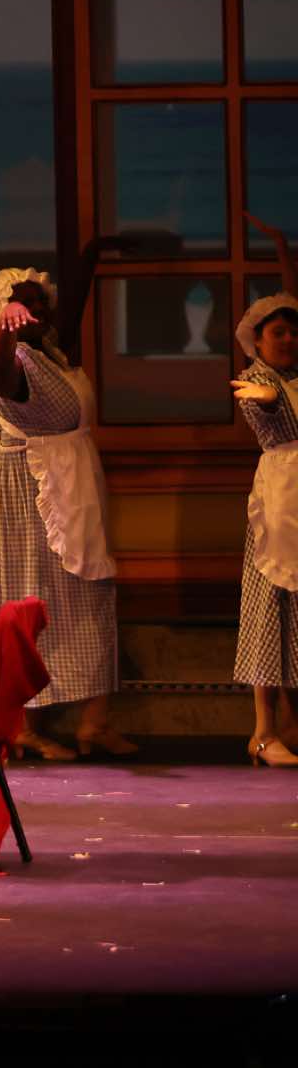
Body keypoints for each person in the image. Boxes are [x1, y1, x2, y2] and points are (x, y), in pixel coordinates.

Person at [0, 243, 136, 759]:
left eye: (39, 301)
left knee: (91, 595)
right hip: (27, 489)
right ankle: (21, 725)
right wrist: (4, 329)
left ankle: (94, 722)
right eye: (24, 303)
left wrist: (93, 253)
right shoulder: (13, 360)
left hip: (70, 479)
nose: (37, 309)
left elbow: (73, 305)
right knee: (29, 597)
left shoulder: (51, 350)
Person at [227, 213, 298, 767]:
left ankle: (288, 725)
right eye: (278, 333)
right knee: (270, 609)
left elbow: (291, 299)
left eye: (294, 332)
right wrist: (268, 401)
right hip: (280, 505)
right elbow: (268, 412)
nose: (290, 338)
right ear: (257, 341)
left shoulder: (293, 377)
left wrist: (280, 251)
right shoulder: (259, 381)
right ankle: (262, 731)